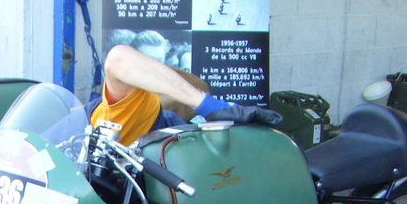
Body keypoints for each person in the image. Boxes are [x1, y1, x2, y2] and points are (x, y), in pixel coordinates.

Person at [89, 44, 281, 146]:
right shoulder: (117, 108)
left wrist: (209, 106)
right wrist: (211, 106)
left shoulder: (146, 112)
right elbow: (119, 59)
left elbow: (118, 58)